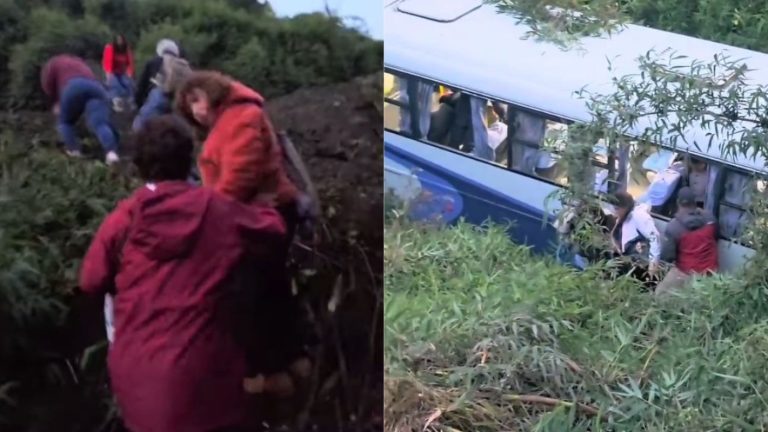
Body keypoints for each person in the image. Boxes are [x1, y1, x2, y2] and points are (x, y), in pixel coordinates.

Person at [79, 115, 287, 432]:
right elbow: (274, 229)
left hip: (138, 384)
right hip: (206, 381)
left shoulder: (125, 217)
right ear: (189, 159)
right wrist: (261, 197)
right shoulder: (220, 210)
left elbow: (90, 280)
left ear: (139, 165)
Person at [176, 70, 312, 397]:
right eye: (188, 106)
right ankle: (292, 363)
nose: (195, 110)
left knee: (251, 297)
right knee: (270, 291)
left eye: (197, 99)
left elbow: (241, 175)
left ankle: (269, 374)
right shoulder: (230, 119)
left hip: (263, 218)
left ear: (211, 91)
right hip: (254, 217)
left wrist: (210, 215)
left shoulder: (242, 115)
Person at [40, 54, 120, 164]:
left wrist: (55, 102)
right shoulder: (79, 62)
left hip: (72, 87)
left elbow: (48, 86)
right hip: (95, 87)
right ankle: (112, 153)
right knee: (99, 123)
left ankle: (74, 152)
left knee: (65, 122)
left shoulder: (52, 64)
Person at [656, 187, 719, 296]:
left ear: (678, 202)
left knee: (659, 294)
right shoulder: (710, 219)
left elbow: (667, 257)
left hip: (686, 273)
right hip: (711, 272)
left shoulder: (674, 226)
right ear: (695, 202)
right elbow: (716, 236)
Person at [132, 39, 191, 132]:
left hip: (158, 98)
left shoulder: (154, 62)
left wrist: (139, 106)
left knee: (139, 128)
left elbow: (141, 88)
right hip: (177, 103)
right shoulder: (183, 65)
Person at [610, 190, 662, 279]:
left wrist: (653, 263)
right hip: (625, 260)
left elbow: (655, 237)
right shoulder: (622, 217)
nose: (614, 211)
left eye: (616, 209)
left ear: (625, 207)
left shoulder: (639, 216)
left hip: (638, 264)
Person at [102, 34, 135, 111]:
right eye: (118, 40)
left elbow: (130, 62)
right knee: (114, 85)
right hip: (113, 71)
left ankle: (131, 102)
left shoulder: (126, 50)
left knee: (129, 84)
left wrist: (130, 73)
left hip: (122, 72)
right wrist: (108, 74)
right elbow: (107, 62)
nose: (120, 42)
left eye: (121, 40)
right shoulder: (110, 48)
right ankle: (116, 103)